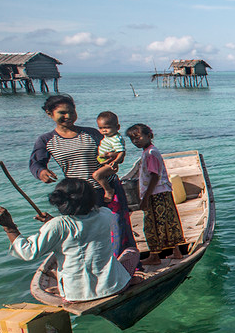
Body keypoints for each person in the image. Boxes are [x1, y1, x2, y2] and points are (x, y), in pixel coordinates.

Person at [30, 94, 136, 254]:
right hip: (77, 196)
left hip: (105, 189)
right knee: (86, 234)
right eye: (62, 113)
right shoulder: (47, 140)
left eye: (72, 112)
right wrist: (41, 172)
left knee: (117, 228)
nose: (68, 116)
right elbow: (36, 163)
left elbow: (116, 152)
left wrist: (114, 159)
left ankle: (127, 268)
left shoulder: (92, 134)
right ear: (49, 114)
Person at [2, 179, 135, 302]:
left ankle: (61, 288)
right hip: (113, 288)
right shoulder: (105, 214)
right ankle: (131, 280)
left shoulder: (58, 225)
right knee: (132, 252)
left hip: (74, 295)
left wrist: (9, 226)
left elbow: (28, 252)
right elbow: (82, 227)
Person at [126, 124, 185, 265]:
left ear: (149, 136)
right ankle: (176, 251)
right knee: (169, 221)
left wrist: (145, 198)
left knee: (152, 225)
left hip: (156, 194)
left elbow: (154, 176)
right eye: (133, 139)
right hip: (163, 192)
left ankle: (154, 256)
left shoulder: (150, 153)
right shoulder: (150, 151)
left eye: (138, 137)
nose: (136, 141)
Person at [91, 111, 126, 202]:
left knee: (97, 175)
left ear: (117, 127)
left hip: (111, 165)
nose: (104, 130)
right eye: (101, 128)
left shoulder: (115, 139)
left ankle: (108, 190)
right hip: (107, 162)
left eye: (107, 128)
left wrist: (115, 161)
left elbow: (121, 152)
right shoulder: (108, 137)